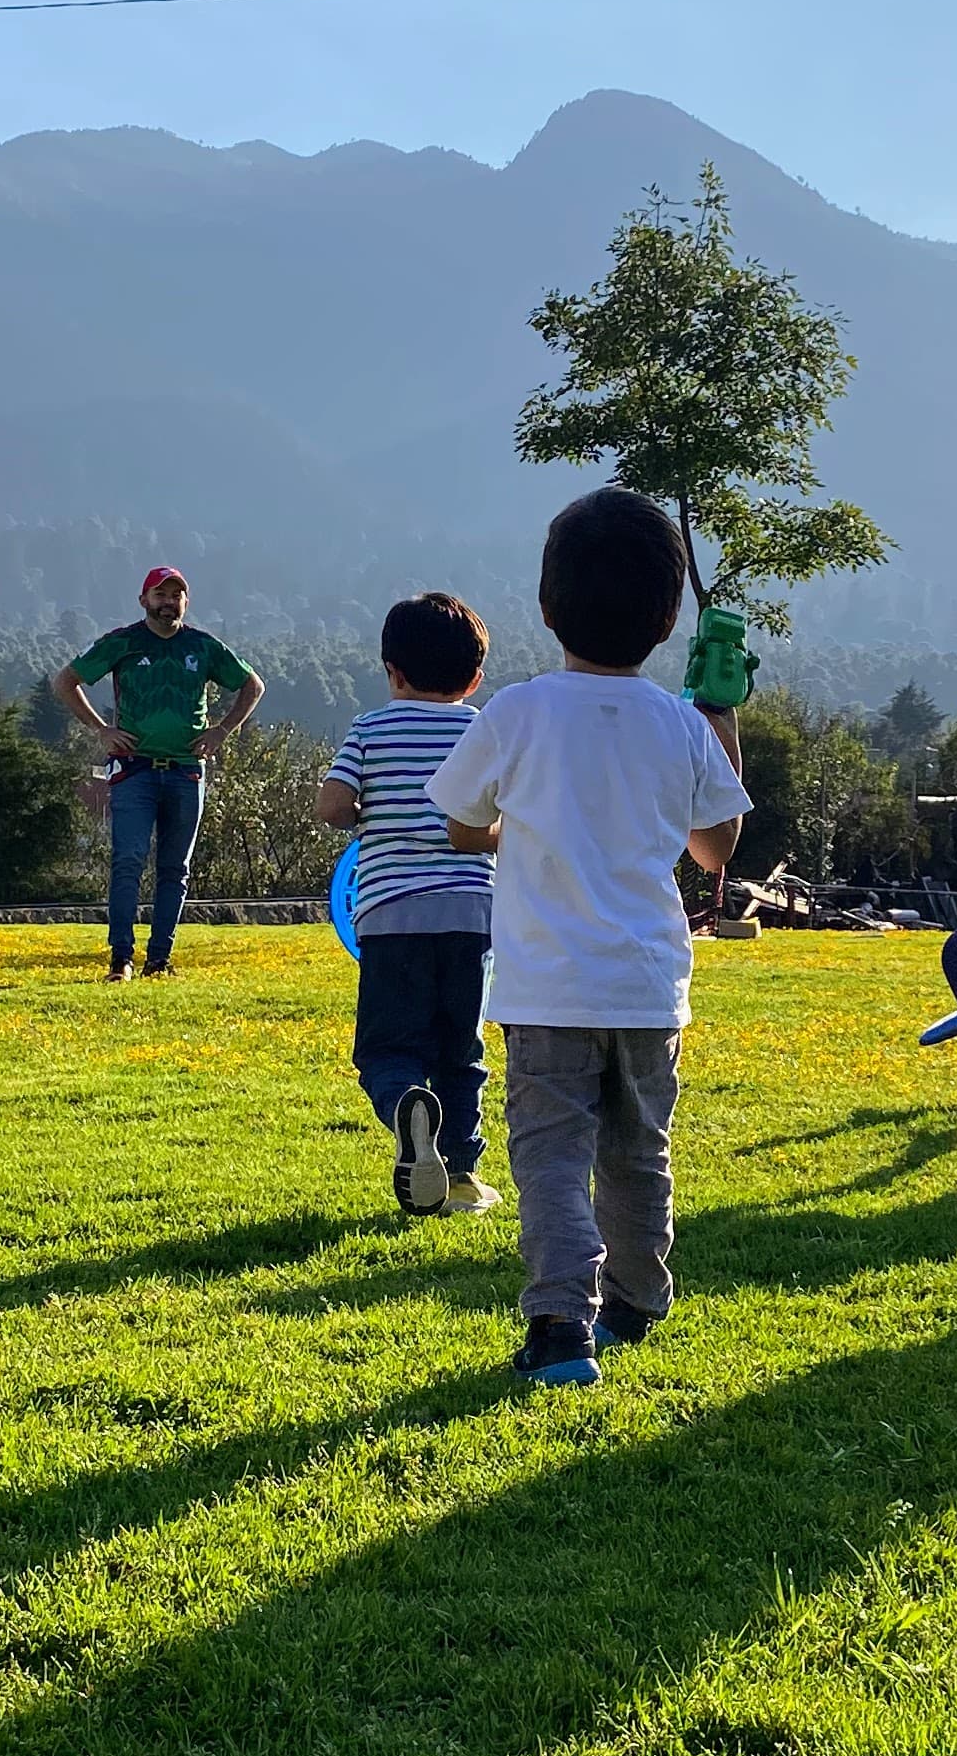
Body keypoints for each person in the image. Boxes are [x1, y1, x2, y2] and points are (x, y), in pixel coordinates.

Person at [425, 489, 748, 1388]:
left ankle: (563, 1322)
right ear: (667, 617)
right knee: (639, 1147)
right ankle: (641, 1295)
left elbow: (457, 822)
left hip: (545, 991)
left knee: (552, 1157)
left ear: (545, 603)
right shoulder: (681, 723)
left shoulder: (519, 712)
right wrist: (723, 719)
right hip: (648, 990)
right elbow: (717, 847)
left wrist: (512, 831)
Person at [316, 591, 500, 1220]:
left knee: (388, 1046)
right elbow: (509, 813)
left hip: (391, 913)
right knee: (462, 1048)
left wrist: (378, 814)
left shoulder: (370, 727)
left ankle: (402, 1105)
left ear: (391, 670)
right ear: (475, 676)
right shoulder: (483, 729)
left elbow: (333, 807)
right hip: (472, 914)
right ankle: (460, 1175)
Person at [54, 565, 263, 981]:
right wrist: (101, 729)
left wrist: (222, 730)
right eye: (160, 594)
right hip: (135, 770)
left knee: (175, 869)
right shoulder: (124, 643)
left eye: (176, 595)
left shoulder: (202, 646)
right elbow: (66, 681)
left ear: (186, 601)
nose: (169, 602)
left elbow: (252, 685)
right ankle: (121, 959)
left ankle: (159, 960)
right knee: (128, 861)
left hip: (187, 772)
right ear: (143, 600)